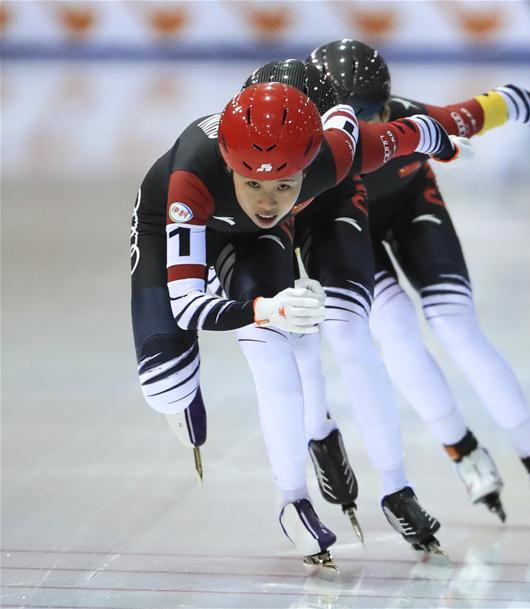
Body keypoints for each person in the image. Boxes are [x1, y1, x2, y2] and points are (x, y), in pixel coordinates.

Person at [130, 81, 461, 568]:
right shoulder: (192, 176)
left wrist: (447, 145)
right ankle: (183, 396)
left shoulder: (336, 155)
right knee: (164, 383)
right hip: (173, 225)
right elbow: (186, 305)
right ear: (228, 162)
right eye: (254, 182)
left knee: (274, 345)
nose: (269, 201)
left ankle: (292, 499)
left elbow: (413, 133)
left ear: (310, 167)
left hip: (252, 241)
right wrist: (265, 308)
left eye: (286, 184)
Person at [302, 39, 530, 526]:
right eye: (353, 116)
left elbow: (511, 100)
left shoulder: (420, 121)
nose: (367, 129)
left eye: (376, 112)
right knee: (394, 329)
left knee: (456, 327)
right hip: (348, 230)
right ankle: (463, 451)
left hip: (412, 207)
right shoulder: (308, 146)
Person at [240, 59, 469, 556]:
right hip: (261, 224)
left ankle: (395, 485)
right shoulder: (224, 156)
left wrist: (443, 142)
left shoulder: (344, 147)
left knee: (349, 333)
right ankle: (312, 450)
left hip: (333, 205)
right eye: (265, 164)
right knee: (283, 338)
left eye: (294, 161)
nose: (280, 174)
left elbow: (413, 131)